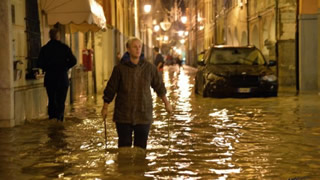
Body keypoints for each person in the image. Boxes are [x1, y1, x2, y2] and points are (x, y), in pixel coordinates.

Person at [101, 37, 172, 149]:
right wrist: (105, 107)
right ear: (128, 49)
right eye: (135, 47)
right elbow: (111, 89)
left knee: (141, 149)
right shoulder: (119, 69)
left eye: (139, 47)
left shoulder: (149, 68)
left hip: (143, 114)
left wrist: (167, 103)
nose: (138, 49)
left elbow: (159, 86)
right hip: (123, 115)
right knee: (124, 148)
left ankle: (140, 166)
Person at [38, 28, 77, 122]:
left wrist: (47, 68)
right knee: (61, 101)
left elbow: (39, 63)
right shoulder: (64, 48)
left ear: (50, 36)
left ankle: (52, 119)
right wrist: (65, 67)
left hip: (50, 78)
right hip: (62, 78)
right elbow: (74, 61)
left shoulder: (45, 49)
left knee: (52, 100)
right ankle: (60, 120)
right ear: (58, 36)